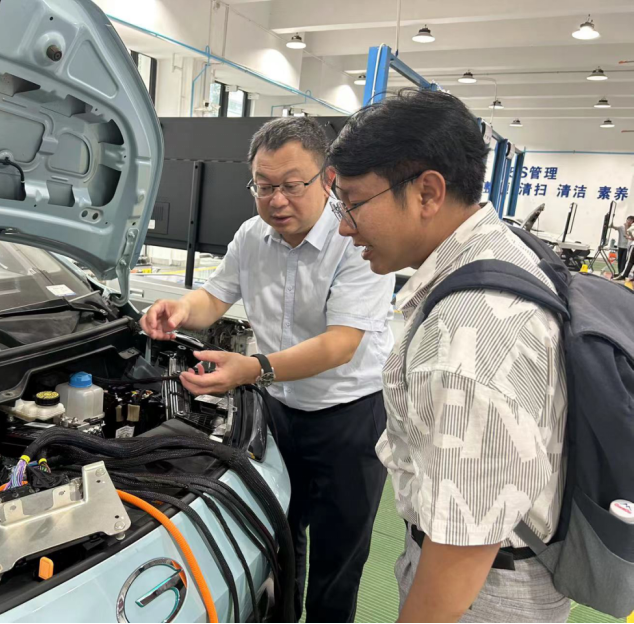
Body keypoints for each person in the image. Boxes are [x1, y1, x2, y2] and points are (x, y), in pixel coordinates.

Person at [328, 89, 570, 623]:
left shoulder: (467, 334)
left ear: (428, 193)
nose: (344, 226)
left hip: (484, 590)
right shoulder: (504, 249)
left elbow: (464, 545)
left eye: (353, 203)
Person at [140, 117, 395, 622]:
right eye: (263, 186)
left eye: (291, 185)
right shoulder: (251, 236)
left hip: (349, 417)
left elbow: (340, 345)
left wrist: (252, 369)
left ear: (327, 178)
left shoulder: (356, 239)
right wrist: (181, 309)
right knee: (279, 532)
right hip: (278, 411)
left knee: (339, 553)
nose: (276, 200)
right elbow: (214, 298)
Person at [613, 215, 634, 280]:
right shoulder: (622, 227)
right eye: (628, 220)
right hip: (622, 246)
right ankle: (621, 273)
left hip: (629, 246)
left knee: (628, 261)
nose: (629, 221)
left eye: (631, 220)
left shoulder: (631, 227)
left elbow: (628, 235)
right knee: (621, 260)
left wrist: (627, 228)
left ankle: (623, 275)